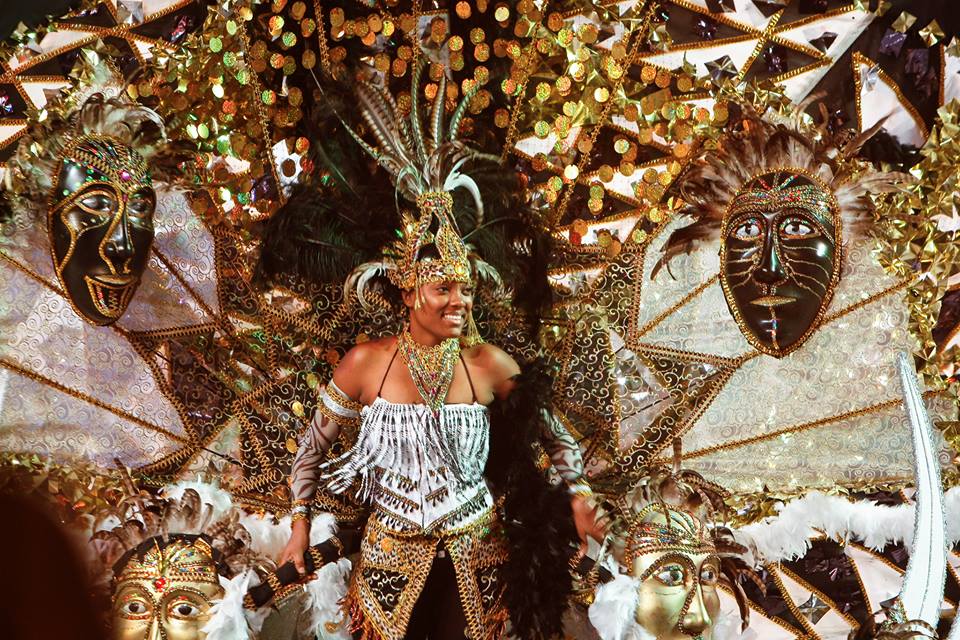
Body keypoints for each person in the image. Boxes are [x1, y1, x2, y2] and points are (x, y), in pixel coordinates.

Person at [275, 70, 602, 640]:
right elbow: (310, 452)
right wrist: (299, 526)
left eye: (465, 288)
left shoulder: (488, 364)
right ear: (407, 293)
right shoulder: (364, 364)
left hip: (478, 562)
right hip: (389, 567)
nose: (458, 300)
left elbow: (557, 436)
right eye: (442, 288)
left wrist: (578, 496)